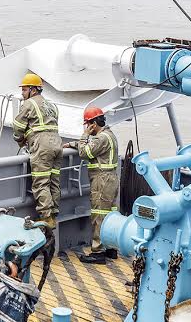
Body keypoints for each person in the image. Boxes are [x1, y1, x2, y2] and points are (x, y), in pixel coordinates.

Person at [65, 106, 119, 264]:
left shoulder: (101, 138)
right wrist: (74, 144)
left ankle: (98, 251)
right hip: (111, 178)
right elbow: (91, 146)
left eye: (87, 124)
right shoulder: (108, 135)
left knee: (99, 215)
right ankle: (111, 248)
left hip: (102, 180)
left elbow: (85, 152)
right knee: (110, 214)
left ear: (93, 124)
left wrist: (83, 136)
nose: (86, 128)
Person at [12, 73, 61, 229]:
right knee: (54, 180)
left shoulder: (28, 104)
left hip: (42, 145)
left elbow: (18, 127)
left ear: (33, 90)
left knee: (41, 182)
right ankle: (54, 212)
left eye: (24, 90)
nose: (22, 93)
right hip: (57, 143)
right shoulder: (51, 105)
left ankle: (46, 217)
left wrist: (20, 140)